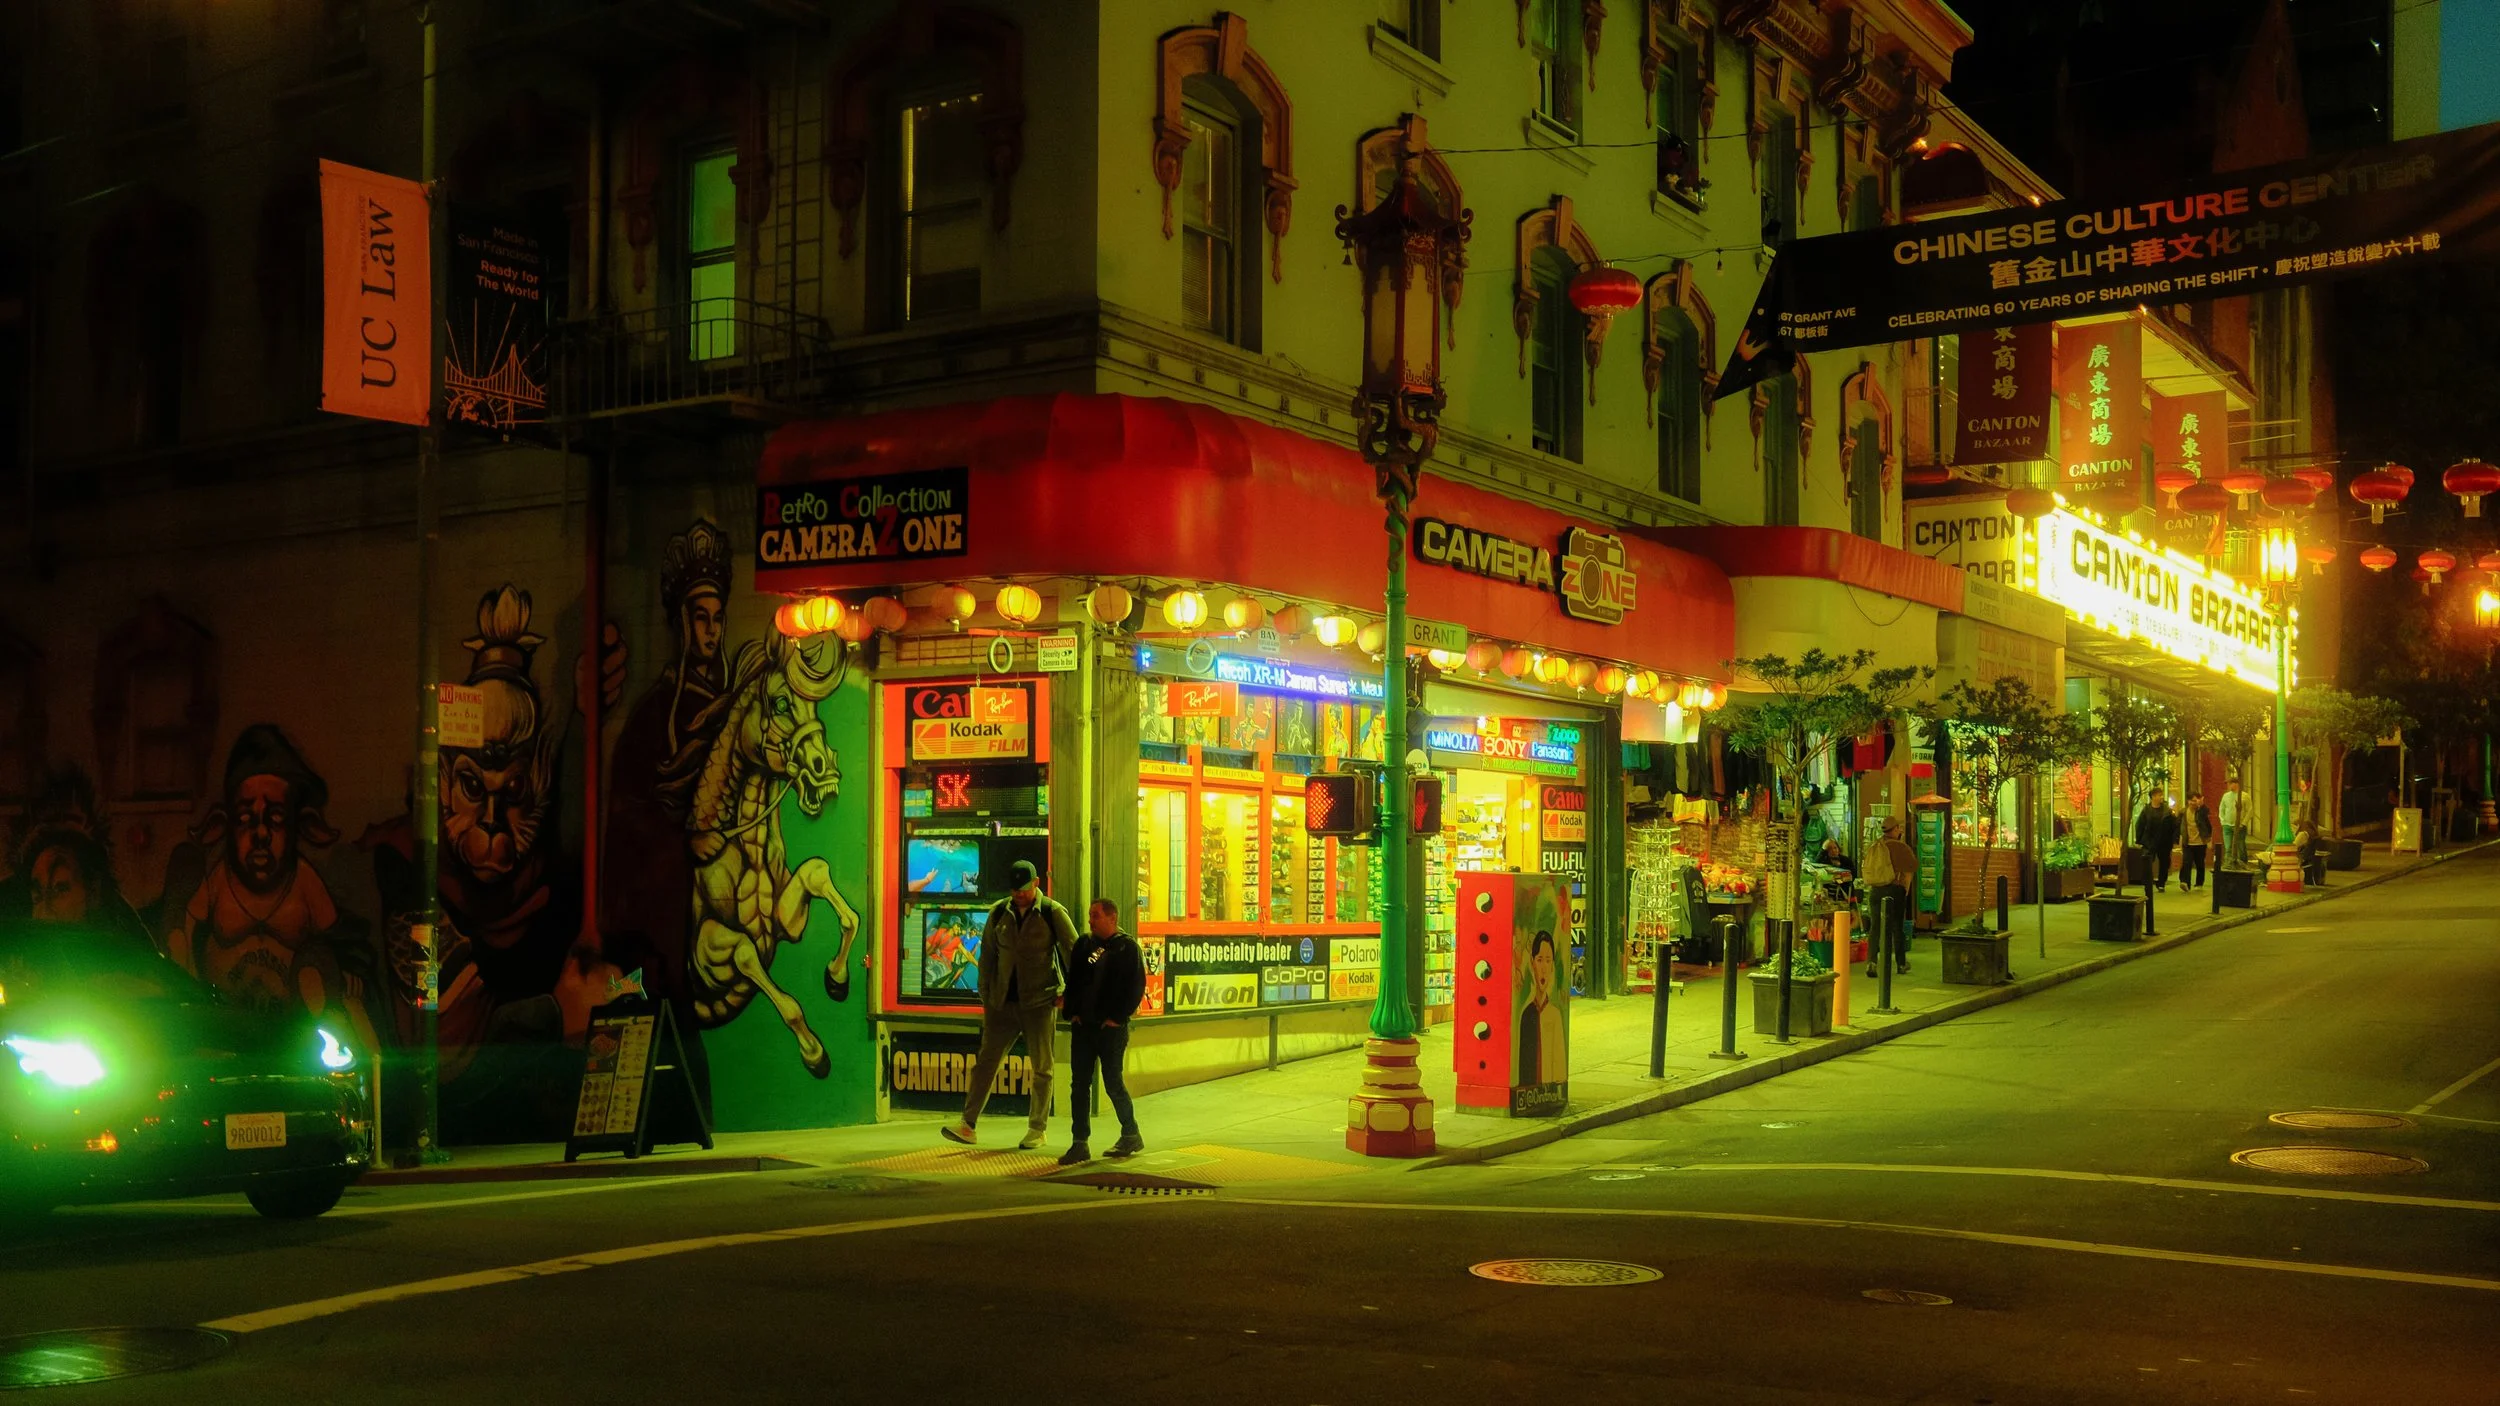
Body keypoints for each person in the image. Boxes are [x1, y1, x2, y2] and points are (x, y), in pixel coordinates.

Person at [943, 860, 1077, 1149]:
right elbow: (988, 958)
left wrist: (1071, 993)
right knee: (986, 1063)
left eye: (1024, 890)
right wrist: (987, 998)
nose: (1019, 895)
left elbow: (1073, 954)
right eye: (1015, 890)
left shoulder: (1053, 913)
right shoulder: (998, 914)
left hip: (1039, 1003)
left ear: (1037, 883)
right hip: (1002, 1005)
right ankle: (968, 1124)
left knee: (1042, 1067)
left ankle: (1037, 1129)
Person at [1059, 898, 1146, 1166]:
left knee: (1112, 1083)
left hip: (1111, 1030)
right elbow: (1074, 981)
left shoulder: (1126, 948)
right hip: (1084, 1027)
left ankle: (1130, 1132)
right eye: (1089, 915)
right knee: (1079, 1085)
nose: (1090, 920)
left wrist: (1118, 1018)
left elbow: (1136, 986)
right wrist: (1071, 1012)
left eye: (1096, 915)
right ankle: (1079, 1142)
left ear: (1112, 917)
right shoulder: (1084, 945)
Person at [1860, 818, 1916, 977]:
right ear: (1896, 828)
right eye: (1899, 828)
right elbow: (1913, 866)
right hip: (1894, 890)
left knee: (1875, 927)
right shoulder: (1900, 847)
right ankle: (1901, 963)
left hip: (1876, 891)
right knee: (1897, 927)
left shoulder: (1875, 845)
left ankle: (1871, 962)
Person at [2133, 789, 2181, 890]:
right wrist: (2139, 839)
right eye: (2159, 795)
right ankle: (2148, 882)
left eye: (2161, 795)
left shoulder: (2167, 810)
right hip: (2149, 840)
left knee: (2164, 862)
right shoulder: (2146, 810)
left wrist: (2174, 839)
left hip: (2164, 840)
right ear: (2153, 797)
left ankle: (2161, 883)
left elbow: (2175, 825)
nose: (2161, 797)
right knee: (2148, 860)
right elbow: (2140, 825)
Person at [2179, 791, 2213, 891]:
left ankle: (2199, 883)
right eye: (2191, 800)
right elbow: (2179, 826)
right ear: (2187, 801)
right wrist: (2179, 839)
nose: (2192, 803)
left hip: (2200, 842)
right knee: (2186, 862)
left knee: (2200, 863)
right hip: (2188, 842)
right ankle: (2185, 882)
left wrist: (2209, 840)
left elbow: (2206, 814)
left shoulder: (2201, 812)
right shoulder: (2183, 812)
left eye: (2195, 800)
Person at [2217, 779, 2245, 869]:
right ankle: (2228, 864)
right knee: (2228, 846)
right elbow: (2222, 808)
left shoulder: (2244, 796)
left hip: (2239, 825)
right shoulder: (2226, 796)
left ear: (2236, 784)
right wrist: (2222, 821)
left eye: (2230, 783)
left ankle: (2242, 863)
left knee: (2240, 846)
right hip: (2227, 825)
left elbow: (2250, 810)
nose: (2229, 785)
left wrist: (2243, 822)